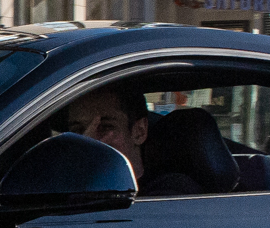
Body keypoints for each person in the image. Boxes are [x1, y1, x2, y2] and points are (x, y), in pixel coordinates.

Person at [62, 84, 197, 196]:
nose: (88, 140)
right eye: (78, 130)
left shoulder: (171, 193)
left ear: (139, 131)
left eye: (105, 127)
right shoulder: (62, 191)